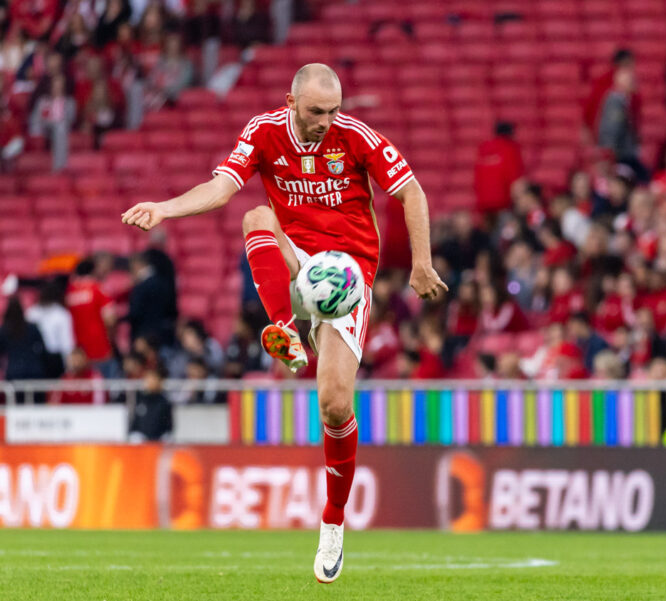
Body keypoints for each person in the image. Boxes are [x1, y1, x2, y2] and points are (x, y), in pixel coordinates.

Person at [120, 63, 447, 584]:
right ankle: (285, 330)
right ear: (291, 101)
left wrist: (422, 263)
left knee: (335, 403)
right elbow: (222, 188)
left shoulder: (355, 137)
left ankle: (334, 523)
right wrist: (164, 209)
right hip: (298, 261)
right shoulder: (264, 130)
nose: (327, 120)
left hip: (348, 274)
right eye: (317, 111)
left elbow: (412, 192)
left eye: (335, 109)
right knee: (255, 217)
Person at [0, 298, 48, 403]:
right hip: (35, 372)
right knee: (38, 406)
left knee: (17, 407)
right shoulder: (32, 327)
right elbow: (43, 349)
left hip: (15, 373)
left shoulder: (4, 330)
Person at [26, 278, 74, 379]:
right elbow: (67, 343)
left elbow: (67, 344)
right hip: (39, 358)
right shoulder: (32, 313)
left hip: (51, 358)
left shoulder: (32, 312)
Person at [474, 121, 524, 214]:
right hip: (503, 201)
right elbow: (514, 176)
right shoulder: (510, 148)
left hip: (483, 202)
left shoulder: (483, 148)